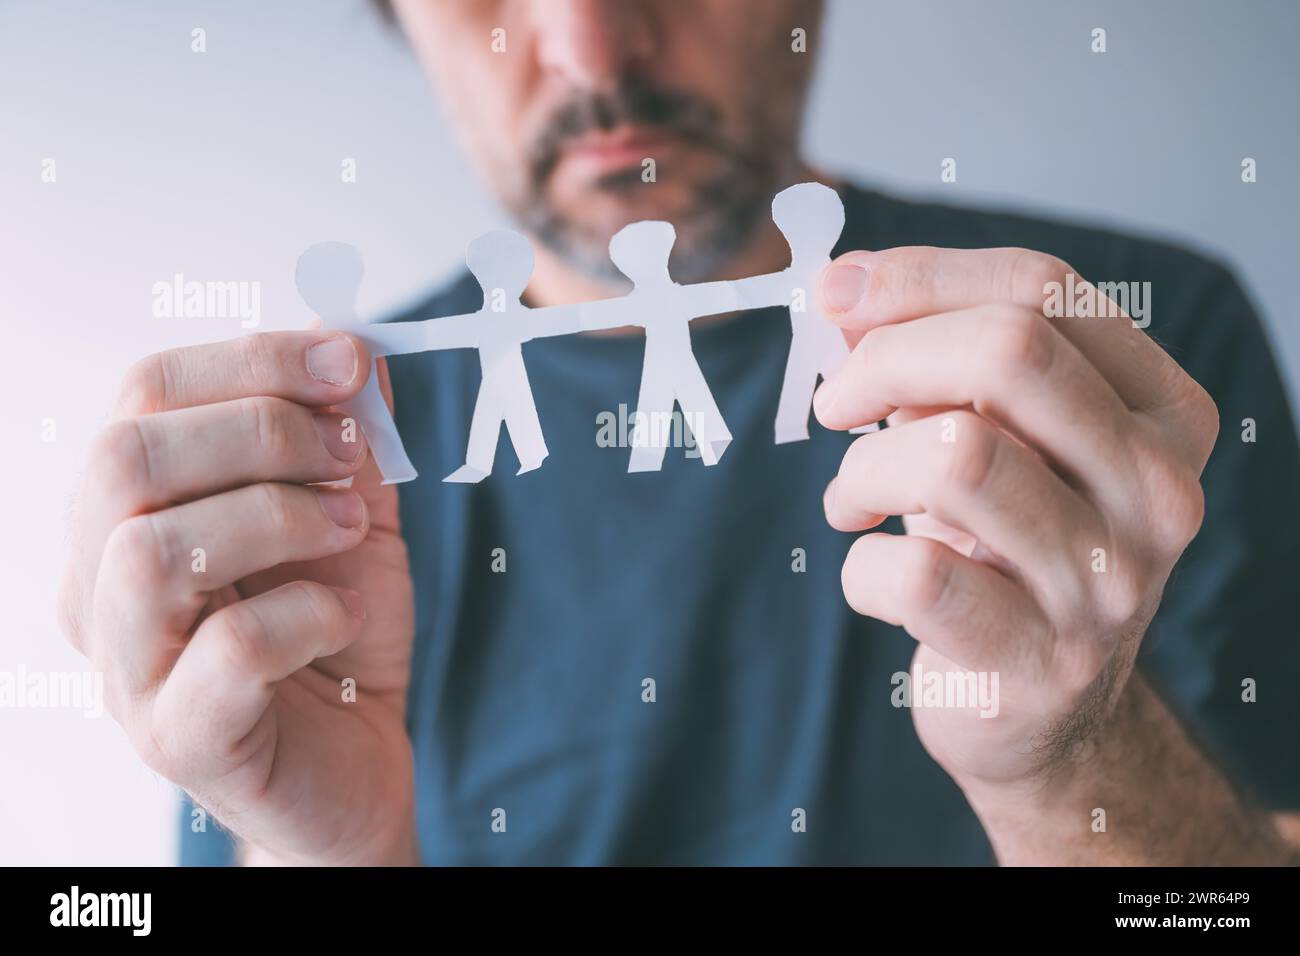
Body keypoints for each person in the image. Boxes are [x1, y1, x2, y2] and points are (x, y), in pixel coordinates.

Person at [57, 0, 1300, 865]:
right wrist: (333, 856)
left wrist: (1070, 764)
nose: (594, 49)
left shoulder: (1123, 355)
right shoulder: (319, 472)